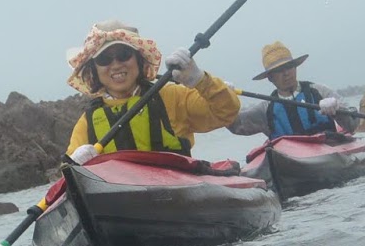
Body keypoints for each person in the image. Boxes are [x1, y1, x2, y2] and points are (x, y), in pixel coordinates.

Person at [65, 21, 240, 163]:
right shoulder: (87, 122)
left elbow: (226, 112)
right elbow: (68, 176)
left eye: (124, 54)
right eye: (104, 59)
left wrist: (201, 80)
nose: (116, 64)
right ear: (94, 70)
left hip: (177, 191)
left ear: (139, 59)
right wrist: (74, 164)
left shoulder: (172, 96)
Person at [228, 40, 353, 138]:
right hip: (289, 158)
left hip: (329, 151)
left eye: (289, 67)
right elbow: (235, 125)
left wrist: (338, 111)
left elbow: (353, 124)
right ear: (270, 78)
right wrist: (223, 98)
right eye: (279, 70)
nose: (286, 73)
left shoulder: (320, 91)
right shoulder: (265, 109)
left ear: (295, 68)